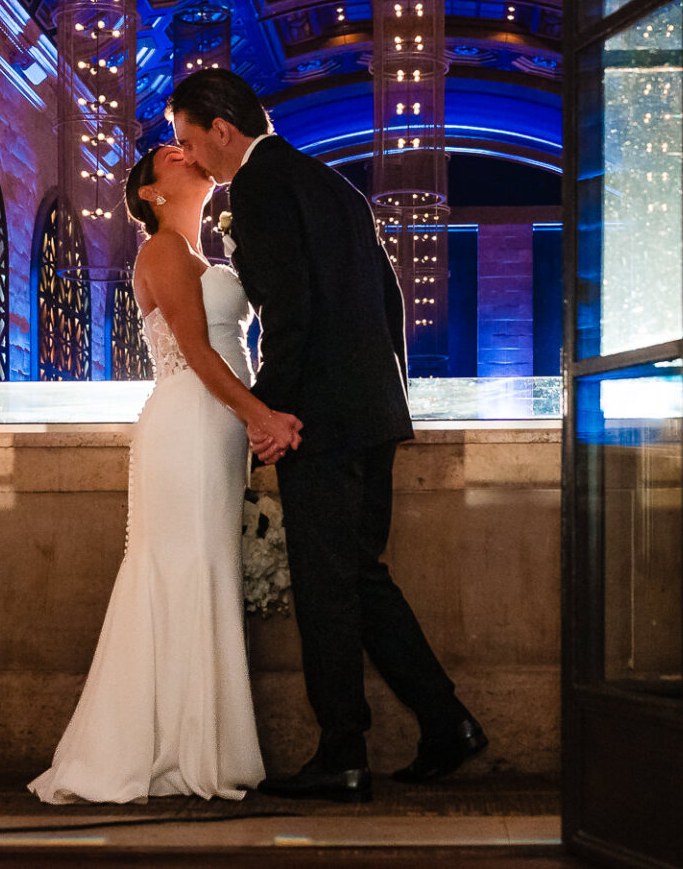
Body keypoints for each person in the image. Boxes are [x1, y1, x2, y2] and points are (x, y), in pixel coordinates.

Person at [167, 67, 486, 804]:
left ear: (223, 128)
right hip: (372, 414)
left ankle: (343, 754)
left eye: (190, 139)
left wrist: (266, 414)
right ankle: (445, 722)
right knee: (358, 576)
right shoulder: (333, 184)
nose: (191, 157)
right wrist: (388, 395)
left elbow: (292, 313)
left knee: (326, 590)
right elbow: (387, 299)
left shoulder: (256, 189)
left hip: (318, 419)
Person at [29, 143, 296, 804]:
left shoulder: (203, 254)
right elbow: (199, 351)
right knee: (181, 569)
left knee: (204, 570)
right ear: (150, 193)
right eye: (171, 154)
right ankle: (167, 749)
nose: (187, 153)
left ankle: (195, 744)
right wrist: (260, 415)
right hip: (190, 420)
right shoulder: (163, 252)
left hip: (216, 425)